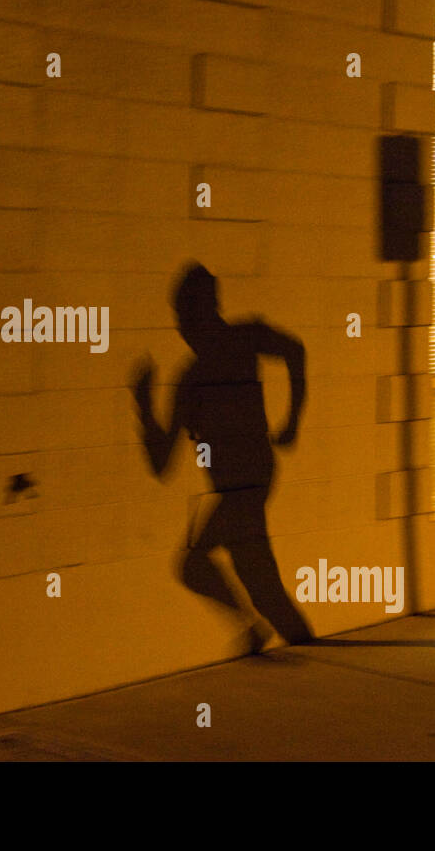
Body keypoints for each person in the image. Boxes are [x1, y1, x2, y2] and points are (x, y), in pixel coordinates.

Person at [132, 263, 312, 654]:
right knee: (261, 587)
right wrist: (143, 405)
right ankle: (286, 638)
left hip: (247, 484)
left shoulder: (240, 340)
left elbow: (294, 350)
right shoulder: (191, 378)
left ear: (208, 310)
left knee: (196, 565)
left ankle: (254, 629)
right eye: (180, 316)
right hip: (239, 485)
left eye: (188, 314)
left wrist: (293, 418)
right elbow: (163, 463)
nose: (183, 326)